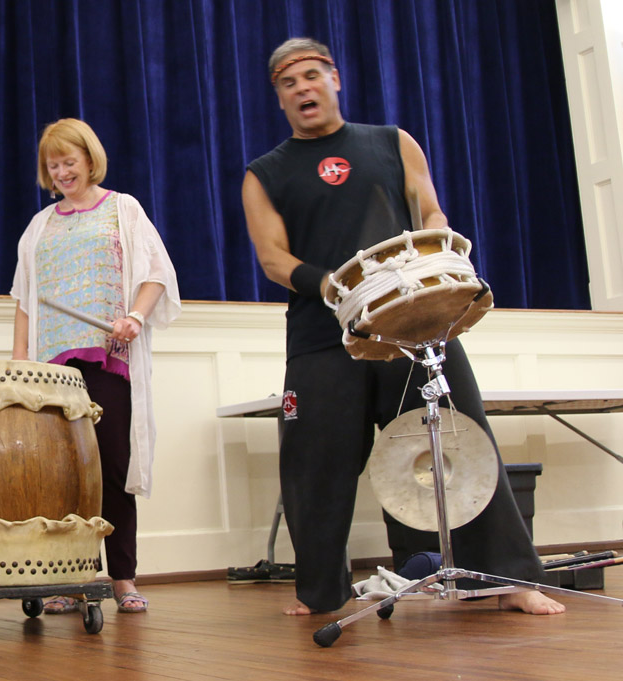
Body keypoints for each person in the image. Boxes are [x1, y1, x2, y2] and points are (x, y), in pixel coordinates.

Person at [241, 37, 565, 616]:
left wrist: (430, 251)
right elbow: (272, 258)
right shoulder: (265, 173)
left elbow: (430, 209)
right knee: (314, 461)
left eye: (312, 75)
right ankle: (321, 593)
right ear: (279, 96)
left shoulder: (391, 143)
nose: (303, 88)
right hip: (324, 337)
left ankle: (509, 578)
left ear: (334, 79)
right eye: (290, 83)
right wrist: (338, 288)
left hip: (413, 326)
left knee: (461, 440)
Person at [11, 118, 181, 614]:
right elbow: (24, 301)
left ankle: (122, 578)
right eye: (53, 164)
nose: (62, 171)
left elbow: (155, 275)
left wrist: (133, 316)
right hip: (52, 371)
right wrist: (20, 361)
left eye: (69, 161)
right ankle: (70, 578)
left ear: (89, 159)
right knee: (62, 475)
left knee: (111, 469)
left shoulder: (123, 209)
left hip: (108, 361)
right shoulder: (39, 226)